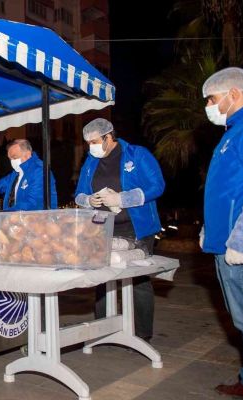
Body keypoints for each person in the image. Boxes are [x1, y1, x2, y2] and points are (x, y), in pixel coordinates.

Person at [199, 67, 243, 400]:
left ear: (234, 94)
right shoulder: (233, 132)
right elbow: (228, 191)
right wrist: (210, 230)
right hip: (226, 244)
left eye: (212, 99)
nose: (209, 106)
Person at [74, 118, 165, 341]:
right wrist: (88, 200)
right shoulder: (90, 161)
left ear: (108, 137)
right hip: (103, 228)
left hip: (137, 227)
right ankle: (102, 330)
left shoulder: (137, 154)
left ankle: (142, 333)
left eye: (94, 141)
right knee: (102, 278)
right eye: (87, 143)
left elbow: (157, 186)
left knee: (138, 280)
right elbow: (79, 193)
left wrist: (123, 198)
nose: (90, 146)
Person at [0, 139, 57, 210]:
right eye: (10, 159)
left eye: (14, 157)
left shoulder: (40, 172)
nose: (12, 162)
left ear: (28, 154)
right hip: (19, 217)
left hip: (38, 219)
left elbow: (33, 203)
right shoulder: (19, 170)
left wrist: (8, 214)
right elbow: (6, 181)